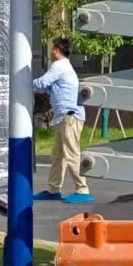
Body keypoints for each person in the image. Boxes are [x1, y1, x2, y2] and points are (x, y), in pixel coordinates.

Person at [32, 37, 95, 204]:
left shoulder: (59, 65)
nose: (50, 51)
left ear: (57, 50)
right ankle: (54, 189)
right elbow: (48, 87)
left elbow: (42, 82)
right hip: (63, 117)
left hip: (70, 116)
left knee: (71, 153)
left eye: (52, 48)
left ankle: (82, 189)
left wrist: (23, 83)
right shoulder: (63, 67)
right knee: (58, 155)